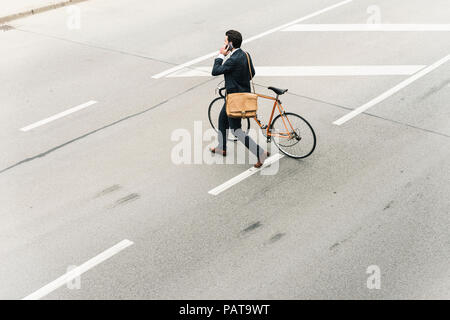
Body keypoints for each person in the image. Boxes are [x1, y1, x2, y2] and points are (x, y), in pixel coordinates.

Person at [210, 30, 269, 168]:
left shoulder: (232, 59)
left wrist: (220, 55)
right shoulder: (245, 55)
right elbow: (251, 73)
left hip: (234, 99)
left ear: (230, 44)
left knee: (236, 130)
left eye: (225, 41)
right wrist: (240, 82)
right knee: (222, 119)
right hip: (241, 95)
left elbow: (215, 71)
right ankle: (222, 147)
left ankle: (260, 153)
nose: (224, 43)